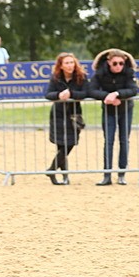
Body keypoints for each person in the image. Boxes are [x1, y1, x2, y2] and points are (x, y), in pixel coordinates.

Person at [89, 48, 139, 186]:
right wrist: (107, 97)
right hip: (108, 111)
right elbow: (91, 90)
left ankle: (122, 174)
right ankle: (107, 175)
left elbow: (133, 90)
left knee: (124, 140)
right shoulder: (100, 73)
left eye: (121, 63)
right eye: (115, 63)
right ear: (108, 62)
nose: (118, 66)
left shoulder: (128, 73)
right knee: (109, 141)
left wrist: (117, 94)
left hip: (126, 110)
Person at [43, 53, 88, 185]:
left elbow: (86, 93)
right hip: (58, 114)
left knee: (71, 142)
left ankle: (52, 169)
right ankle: (64, 176)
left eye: (72, 62)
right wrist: (58, 94)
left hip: (74, 114)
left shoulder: (81, 77)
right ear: (61, 66)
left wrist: (72, 94)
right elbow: (48, 94)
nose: (70, 65)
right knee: (61, 145)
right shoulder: (55, 78)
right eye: (67, 63)